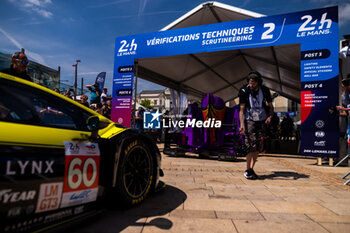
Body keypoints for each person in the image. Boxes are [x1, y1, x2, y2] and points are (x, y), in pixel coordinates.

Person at [239, 71, 274, 179]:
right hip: (250, 120)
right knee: (250, 144)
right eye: (250, 82)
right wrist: (242, 125)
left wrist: (270, 116)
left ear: (258, 82)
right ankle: (248, 169)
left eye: (253, 83)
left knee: (259, 145)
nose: (251, 85)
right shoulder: (244, 91)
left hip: (262, 119)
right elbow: (242, 110)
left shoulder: (264, 90)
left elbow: (271, 106)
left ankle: (251, 168)